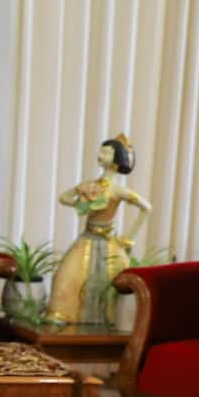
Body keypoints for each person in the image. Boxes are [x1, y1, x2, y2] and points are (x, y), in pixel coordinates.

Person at [45, 133, 152, 325]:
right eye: (101, 151)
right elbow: (64, 198)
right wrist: (80, 194)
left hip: (109, 243)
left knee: (114, 283)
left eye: (106, 152)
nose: (100, 155)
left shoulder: (117, 190)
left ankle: (107, 321)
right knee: (67, 274)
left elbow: (146, 208)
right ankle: (64, 316)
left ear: (116, 160)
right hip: (87, 238)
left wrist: (128, 238)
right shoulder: (90, 185)